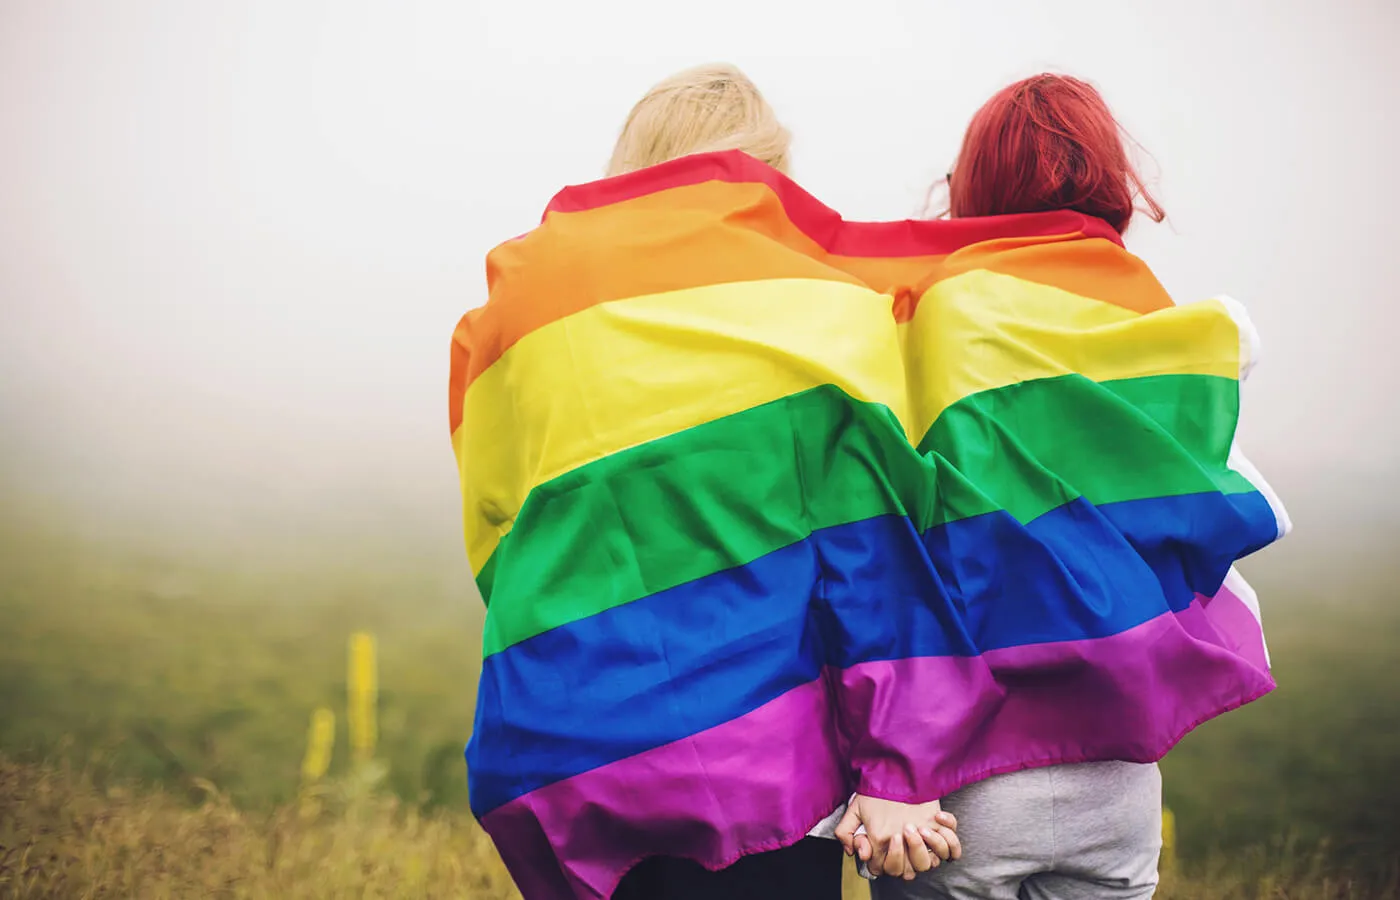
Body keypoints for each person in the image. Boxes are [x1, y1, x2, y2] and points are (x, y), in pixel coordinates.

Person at [852, 73, 1176, 900]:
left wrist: (887, 758)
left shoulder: (935, 316)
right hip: (1121, 774)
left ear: (979, 178)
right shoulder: (1151, 318)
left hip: (960, 780)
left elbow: (888, 550)